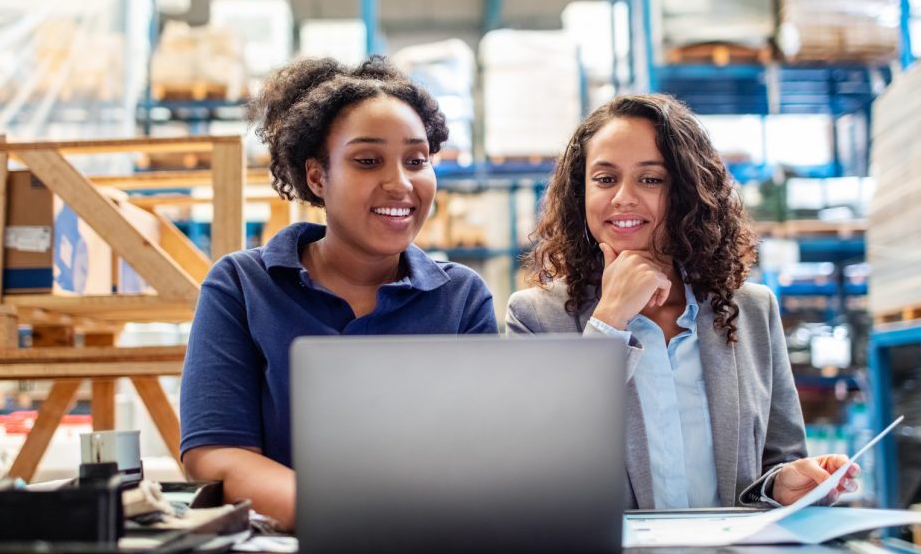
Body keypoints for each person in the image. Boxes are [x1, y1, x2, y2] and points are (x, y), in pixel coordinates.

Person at [180, 57, 498, 530]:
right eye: (368, 161)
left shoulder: (461, 298)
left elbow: (484, 455)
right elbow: (216, 453)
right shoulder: (243, 287)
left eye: (417, 160)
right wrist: (340, 517)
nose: (401, 183)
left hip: (430, 552)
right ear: (316, 176)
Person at [506, 93, 857, 509]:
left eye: (651, 179)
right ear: (580, 194)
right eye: (605, 179)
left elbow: (781, 457)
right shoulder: (534, 317)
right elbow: (532, 467)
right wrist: (609, 321)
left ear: (688, 192)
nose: (623, 197)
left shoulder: (751, 311)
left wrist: (783, 484)